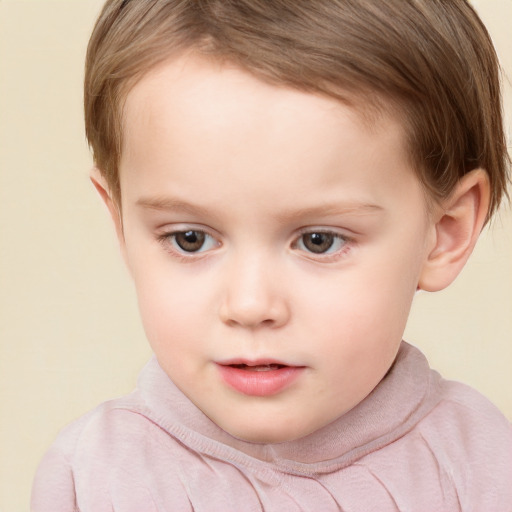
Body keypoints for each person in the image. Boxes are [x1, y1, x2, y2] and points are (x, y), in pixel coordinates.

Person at [31, 0, 512, 510]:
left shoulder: (481, 464)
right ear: (122, 224)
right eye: (190, 238)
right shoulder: (92, 479)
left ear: (445, 232)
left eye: (318, 241)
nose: (250, 304)